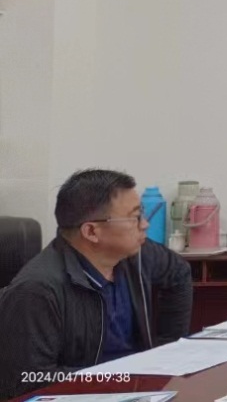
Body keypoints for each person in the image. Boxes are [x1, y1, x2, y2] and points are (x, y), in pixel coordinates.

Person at [0, 170, 193, 400]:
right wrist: (117, 378)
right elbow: (26, 380)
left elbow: (179, 273)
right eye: (135, 217)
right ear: (91, 231)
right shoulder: (37, 290)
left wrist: (167, 349)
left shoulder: (136, 256)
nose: (145, 224)